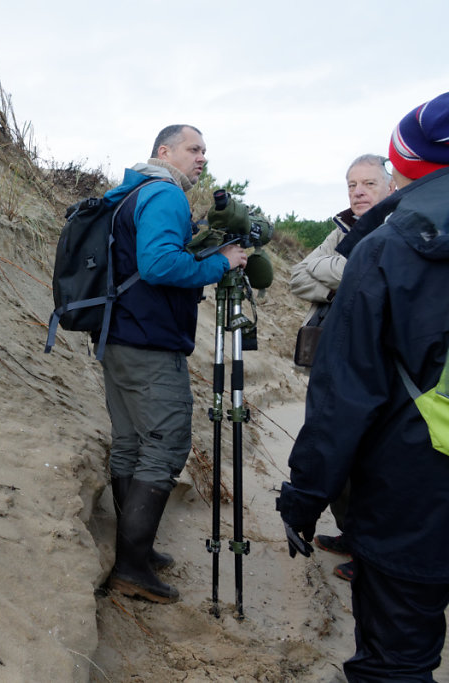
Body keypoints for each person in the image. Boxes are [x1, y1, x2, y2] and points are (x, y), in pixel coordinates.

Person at [277, 92, 449, 681]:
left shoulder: (385, 248)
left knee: (395, 661)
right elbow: (301, 276)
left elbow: (345, 398)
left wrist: (305, 497)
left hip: (414, 494)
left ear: (402, 166)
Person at [96, 125, 247, 603]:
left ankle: (133, 551)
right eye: (193, 149)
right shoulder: (165, 193)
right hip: (149, 343)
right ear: (164, 151)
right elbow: (159, 265)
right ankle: (131, 567)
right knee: (164, 446)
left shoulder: (131, 192)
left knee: (130, 444)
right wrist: (222, 263)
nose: (202, 158)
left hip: (119, 336)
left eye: (205, 151)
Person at [287, 154, 396, 582]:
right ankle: (352, 534)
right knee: (337, 454)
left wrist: (335, 272)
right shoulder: (342, 229)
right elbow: (298, 276)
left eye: (368, 183)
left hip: (374, 365)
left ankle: (375, 555)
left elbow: (383, 279)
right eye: (352, 184)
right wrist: (349, 280)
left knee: (374, 461)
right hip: (331, 359)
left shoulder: (399, 227)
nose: (358, 192)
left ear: (391, 186)